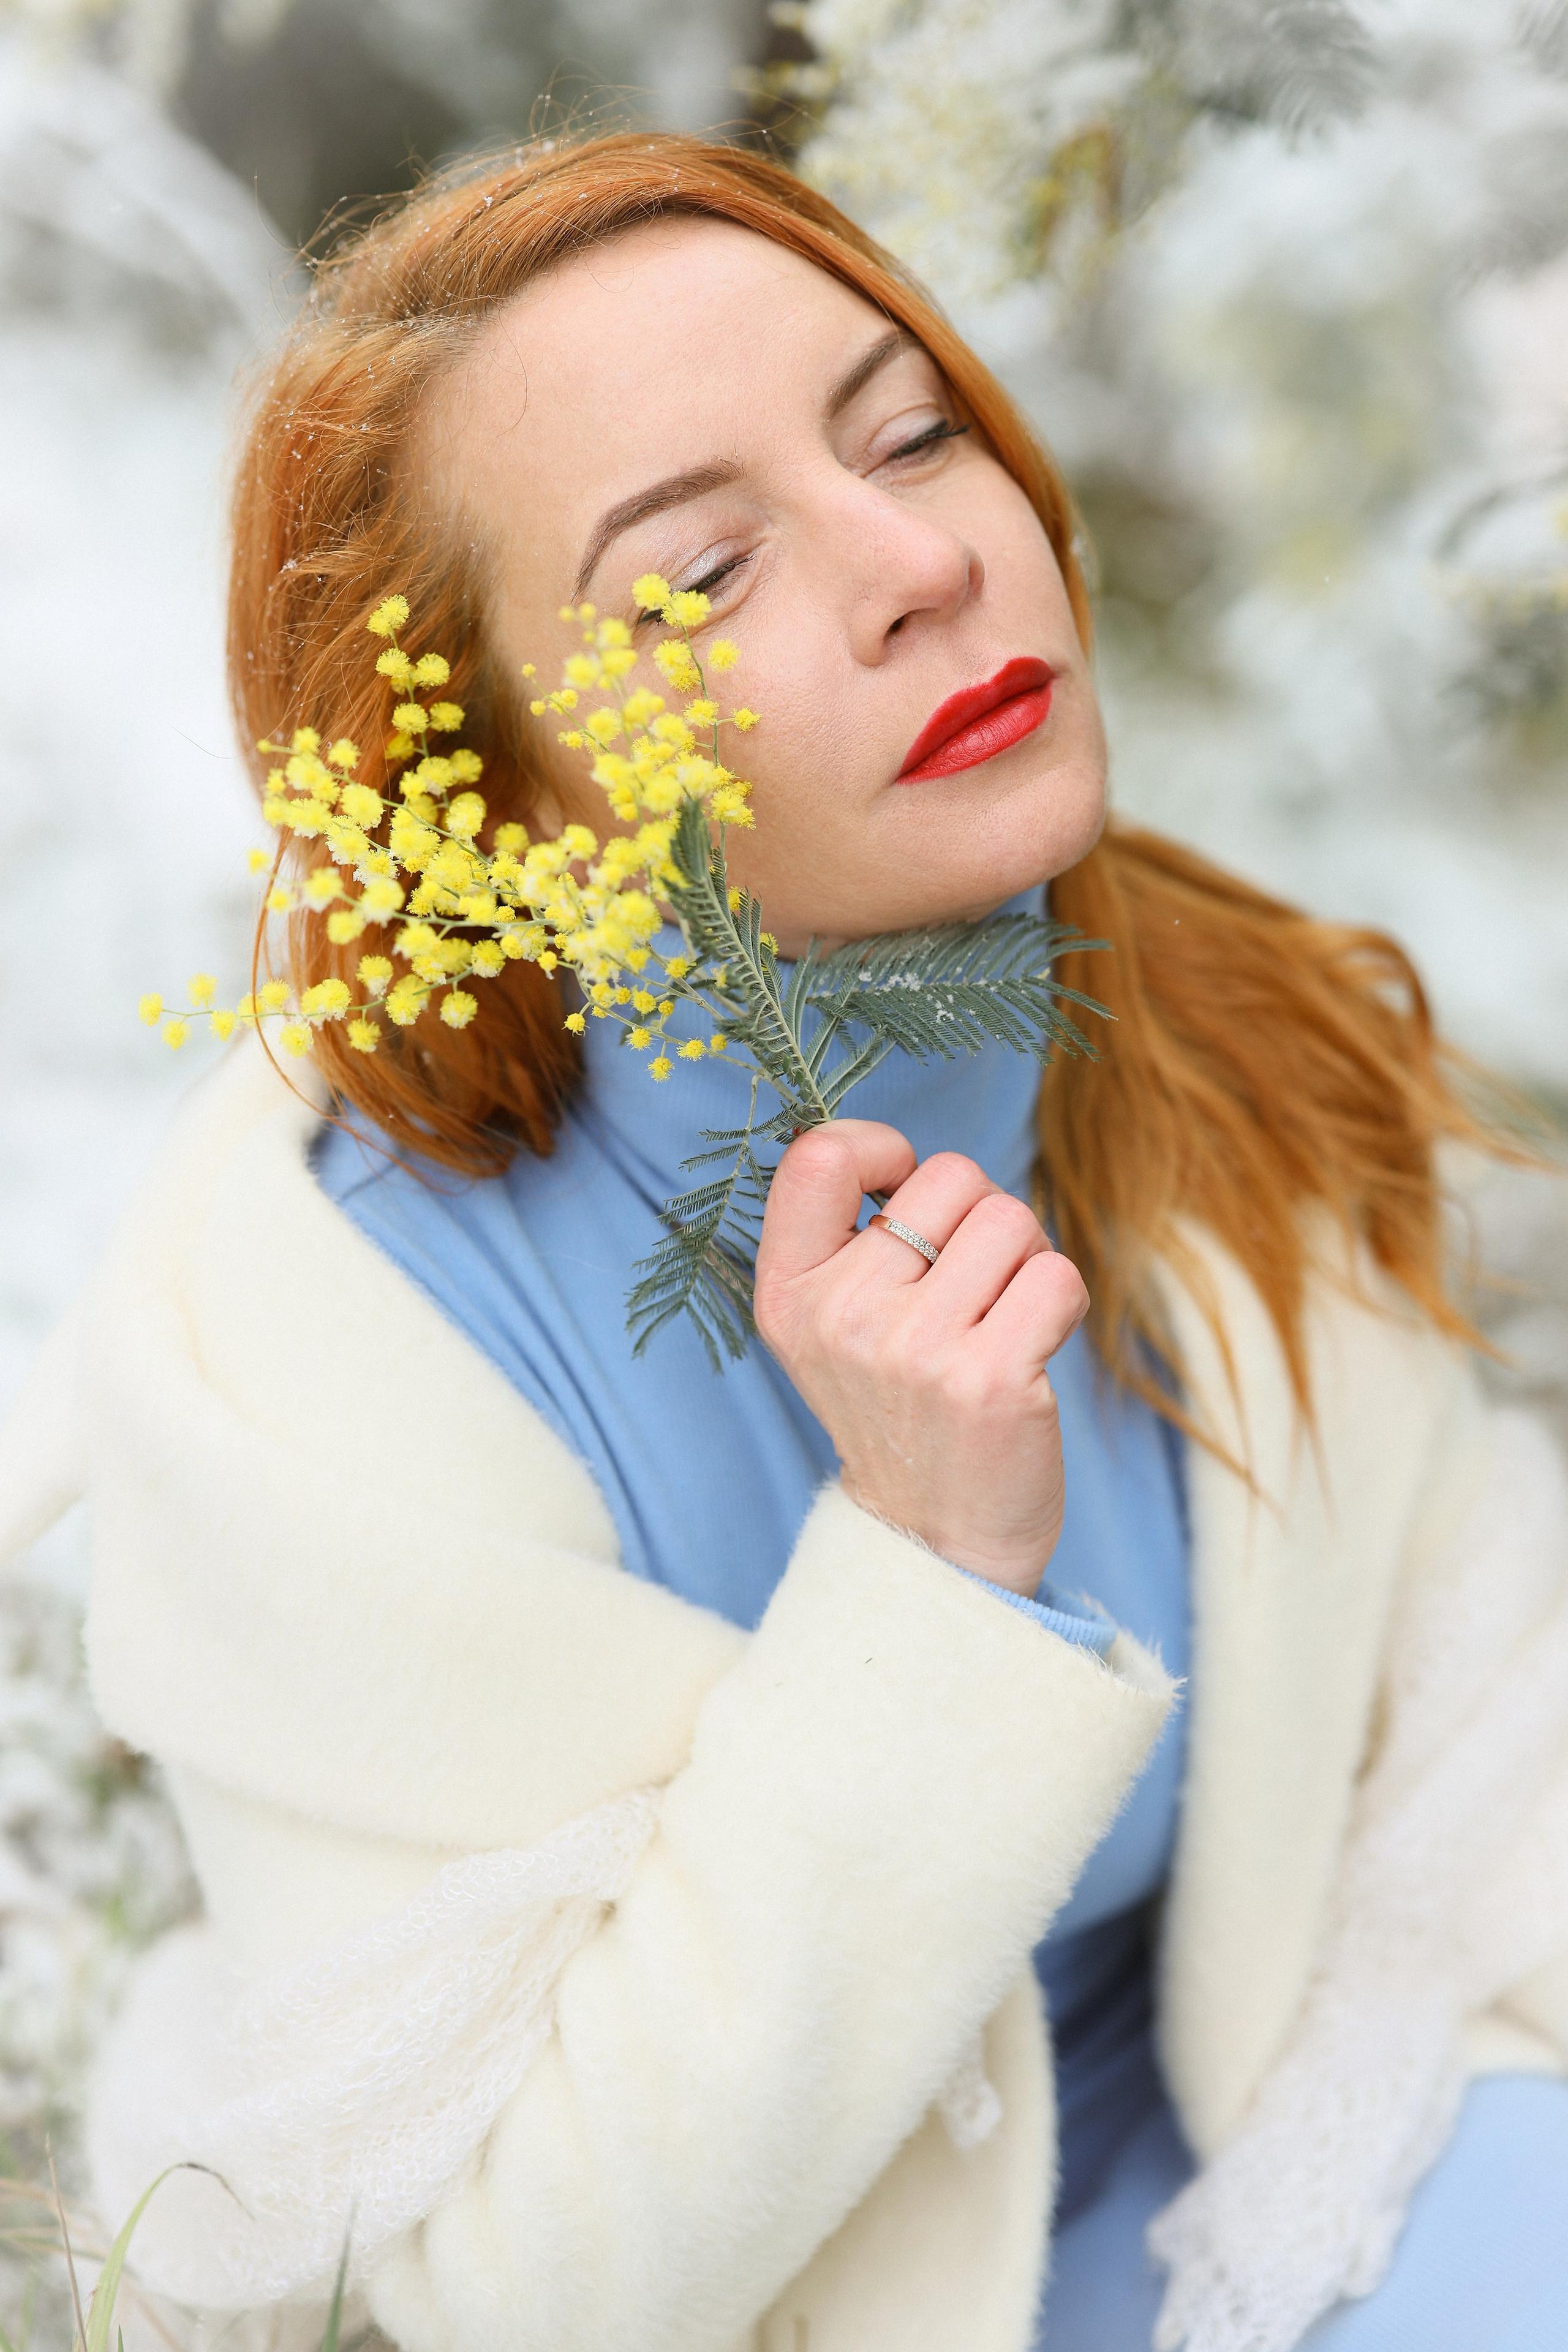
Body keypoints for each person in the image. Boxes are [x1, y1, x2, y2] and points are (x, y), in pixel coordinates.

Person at [2, 132, 1567, 2352]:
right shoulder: (337, 1366)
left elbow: (1493, 1733)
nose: (920, 557)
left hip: (1295, 2127)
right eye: (699, 576)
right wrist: (927, 1580)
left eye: (913, 430)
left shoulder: (1200, 1017)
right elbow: (520, 2291)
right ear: (501, 799)